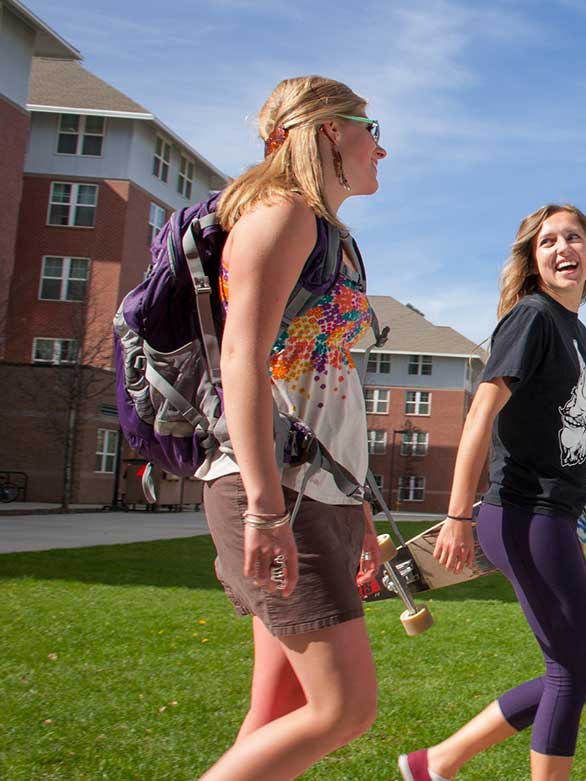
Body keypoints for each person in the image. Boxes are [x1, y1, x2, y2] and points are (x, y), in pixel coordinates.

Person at [196, 76, 387, 781]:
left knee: (274, 712)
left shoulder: (331, 235)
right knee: (344, 707)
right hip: (276, 494)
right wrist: (264, 505)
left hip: (320, 494)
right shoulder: (282, 216)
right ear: (331, 130)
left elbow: (325, 385)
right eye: (372, 127)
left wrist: (356, 503)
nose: (383, 148)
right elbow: (242, 360)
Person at [399, 204, 586, 781]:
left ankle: (435, 762)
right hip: (520, 511)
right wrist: (457, 516)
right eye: (548, 242)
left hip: (552, 517)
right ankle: (438, 762)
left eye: (574, 237)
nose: (563, 248)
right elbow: (479, 415)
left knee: (579, 672)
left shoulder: (576, 332)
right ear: (533, 261)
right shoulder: (532, 318)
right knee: (570, 672)